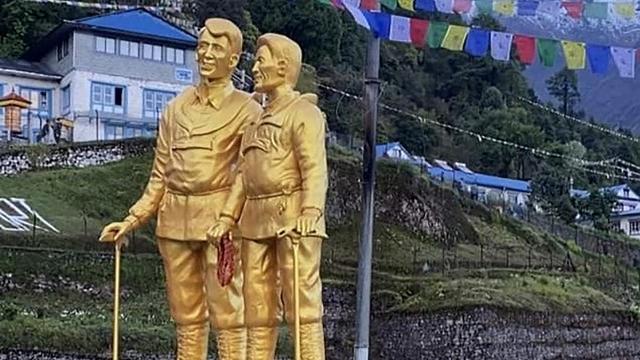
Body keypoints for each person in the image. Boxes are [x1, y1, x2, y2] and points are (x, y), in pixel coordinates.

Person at [99, 18, 261, 360]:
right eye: (202, 46)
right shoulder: (175, 108)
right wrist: (132, 219)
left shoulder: (248, 110)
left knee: (227, 313)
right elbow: (160, 175)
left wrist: (229, 219)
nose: (205, 54)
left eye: (216, 48)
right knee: (185, 314)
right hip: (173, 222)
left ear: (233, 59)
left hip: (220, 223)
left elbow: (247, 175)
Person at [208, 33, 328, 359]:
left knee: (301, 306)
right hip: (255, 222)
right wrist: (226, 218)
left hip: (293, 217)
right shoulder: (255, 121)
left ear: (283, 66)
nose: (255, 67)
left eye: (261, 60)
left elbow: (314, 168)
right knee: (257, 308)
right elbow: (243, 176)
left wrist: (311, 210)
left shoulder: (303, 112)